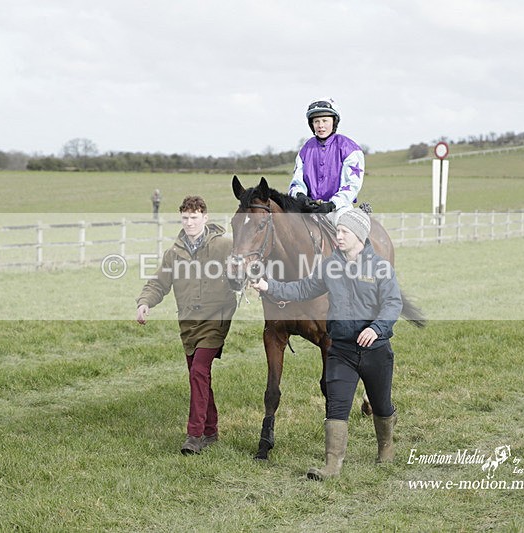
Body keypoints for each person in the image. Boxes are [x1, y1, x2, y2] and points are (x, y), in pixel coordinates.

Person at [251, 208, 402, 480]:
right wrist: (268, 286)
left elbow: (393, 304)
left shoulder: (381, 268)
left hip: (375, 349)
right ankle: (332, 467)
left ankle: (386, 446)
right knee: (337, 405)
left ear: (358, 235)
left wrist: (377, 329)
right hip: (341, 349)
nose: (338, 236)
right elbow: (302, 289)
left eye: (343, 232)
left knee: (381, 404)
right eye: (338, 231)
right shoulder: (330, 266)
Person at [136, 195, 237, 455]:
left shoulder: (224, 246)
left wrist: (244, 276)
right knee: (199, 376)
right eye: (185, 218)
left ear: (205, 218)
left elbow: (242, 271)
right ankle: (211, 430)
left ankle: (194, 435)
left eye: (194, 217)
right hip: (188, 325)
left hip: (217, 318)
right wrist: (145, 303)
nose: (190, 222)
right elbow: (159, 283)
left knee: (199, 371)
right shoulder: (174, 253)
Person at [289, 98, 366, 219]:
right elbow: (297, 182)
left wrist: (332, 204)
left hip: (339, 209)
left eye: (325, 121)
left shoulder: (349, 148)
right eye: (316, 121)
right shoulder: (305, 149)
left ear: (334, 122)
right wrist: (300, 195)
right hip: (310, 209)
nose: (320, 125)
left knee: (347, 229)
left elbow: (352, 184)